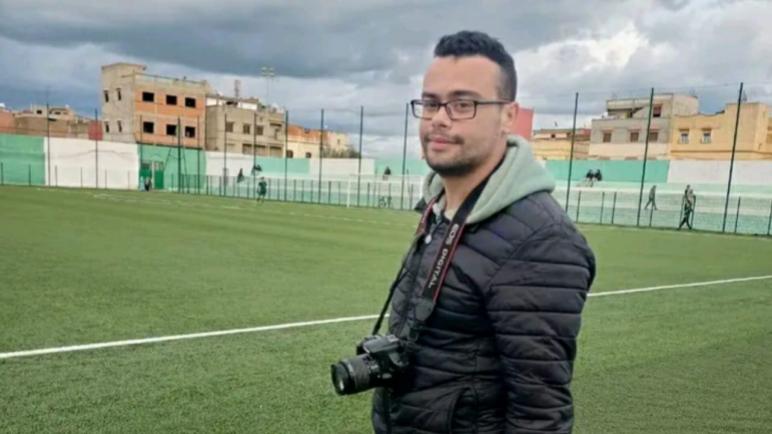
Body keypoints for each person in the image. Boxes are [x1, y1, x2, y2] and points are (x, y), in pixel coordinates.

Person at [370, 31, 596, 433]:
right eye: (430, 103)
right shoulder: (440, 208)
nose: (439, 118)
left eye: (463, 104)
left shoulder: (540, 240)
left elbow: (539, 413)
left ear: (508, 116)